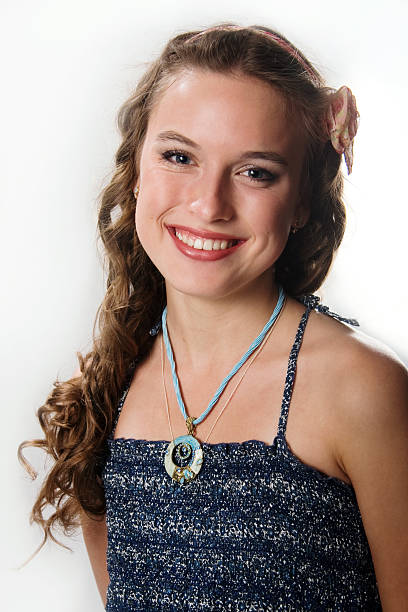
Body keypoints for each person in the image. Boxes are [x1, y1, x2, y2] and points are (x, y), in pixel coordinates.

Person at [18, 23, 408, 611]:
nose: (209, 204)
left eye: (255, 171)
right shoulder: (110, 390)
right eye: (179, 157)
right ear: (137, 166)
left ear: (302, 197)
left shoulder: (361, 389)